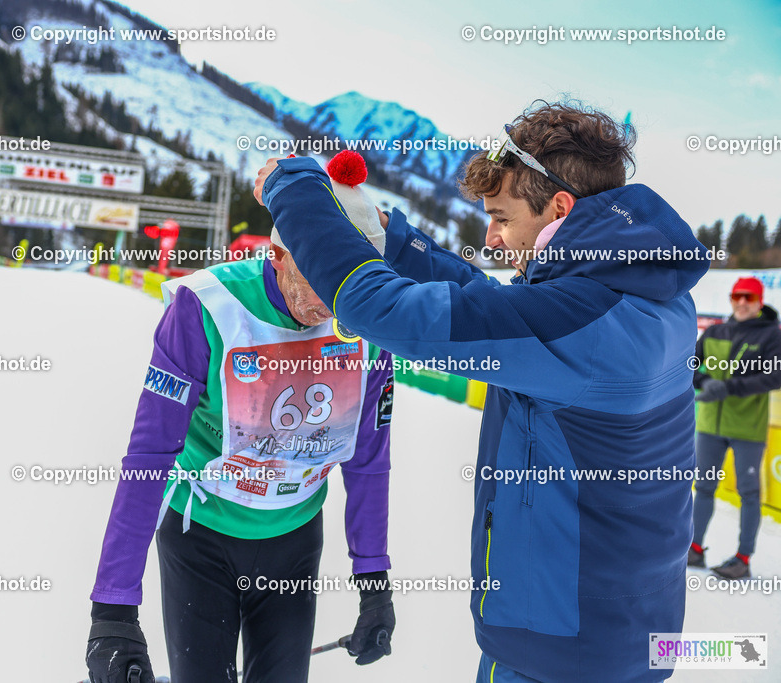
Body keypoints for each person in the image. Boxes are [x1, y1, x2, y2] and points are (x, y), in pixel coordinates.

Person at [254, 104, 711, 682]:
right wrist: (392, 240)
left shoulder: (581, 321)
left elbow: (384, 311)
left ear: (560, 208)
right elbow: (497, 306)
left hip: (551, 652)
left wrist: (295, 192)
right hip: (625, 636)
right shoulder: (646, 294)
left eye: (501, 217)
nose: (490, 238)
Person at [85, 163, 396, 683]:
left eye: (347, 280)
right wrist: (112, 611)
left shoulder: (368, 321)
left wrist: (374, 583)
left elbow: (367, 459)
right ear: (278, 253)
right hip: (201, 538)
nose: (330, 299)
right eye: (317, 273)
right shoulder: (205, 307)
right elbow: (150, 454)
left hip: (294, 541)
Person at [690, 276, 781, 578]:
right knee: (704, 486)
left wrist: (729, 388)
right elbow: (690, 364)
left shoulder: (771, 334)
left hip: (747, 428)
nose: (742, 302)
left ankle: (743, 559)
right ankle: (695, 548)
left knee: (749, 493)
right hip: (710, 425)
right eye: (737, 296)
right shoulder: (715, 331)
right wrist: (706, 382)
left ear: (760, 302)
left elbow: (774, 376)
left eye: (749, 297)